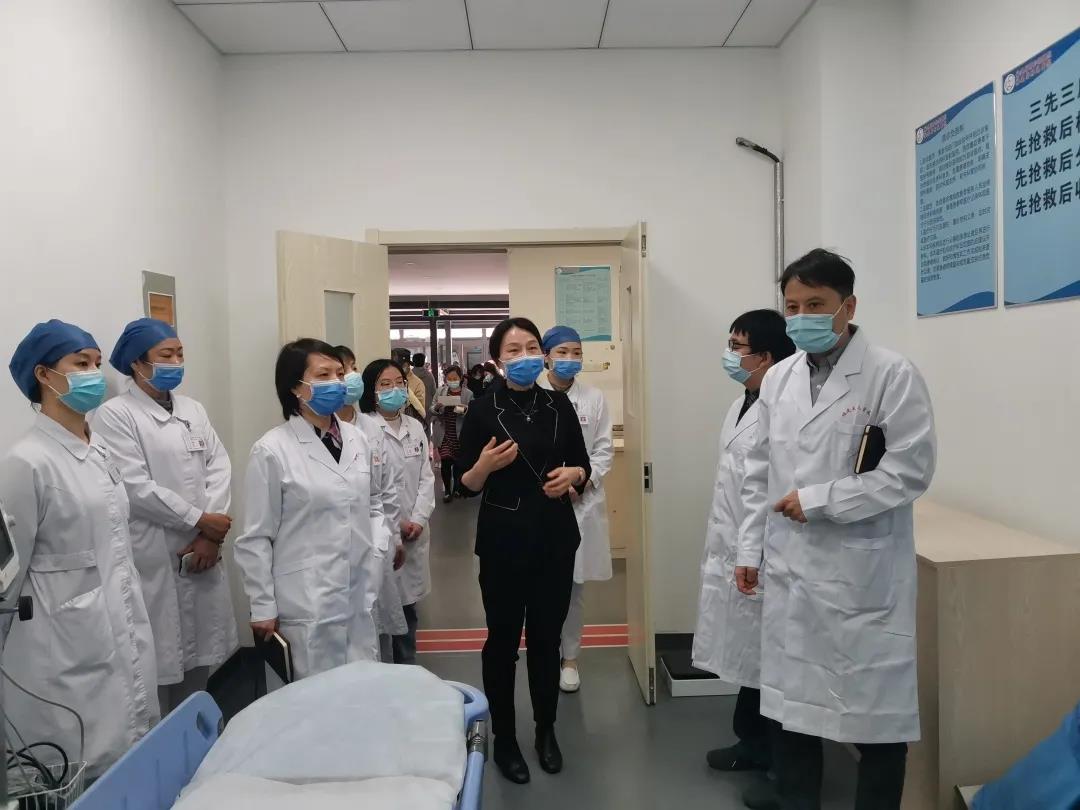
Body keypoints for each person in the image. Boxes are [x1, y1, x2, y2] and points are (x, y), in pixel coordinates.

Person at [735, 250, 937, 810]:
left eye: (815, 304)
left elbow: (910, 471)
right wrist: (748, 548)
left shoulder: (891, 374)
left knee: (875, 719)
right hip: (790, 567)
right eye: (792, 306)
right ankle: (797, 800)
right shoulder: (779, 378)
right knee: (793, 709)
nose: (802, 317)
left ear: (848, 306)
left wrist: (821, 501)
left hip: (861, 574)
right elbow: (758, 470)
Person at [0, 320, 159, 777]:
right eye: (80, 363)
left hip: (118, 624)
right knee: (72, 769)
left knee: (128, 754)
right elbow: (7, 577)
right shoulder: (26, 461)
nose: (95, 374)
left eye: (96, 363)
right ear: (44, 375)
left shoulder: (100, 449)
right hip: (60, 643)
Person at [458, 317, 591, 785]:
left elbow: (583, 463)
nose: (525, 357)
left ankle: (545, 730)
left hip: (555, 538)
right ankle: (506, 740)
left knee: (546, 640)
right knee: (502, 643)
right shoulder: (482, 409)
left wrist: (574, 475)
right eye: (513, 350)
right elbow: (464, 484)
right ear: (497, 359)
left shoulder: (558, 404)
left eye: (531, 347)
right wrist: (483, 465)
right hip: (503, 542)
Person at [91, 318, 238, 714]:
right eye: (165, 355)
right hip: (154, 552)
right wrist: (199, 520)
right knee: (157, 667)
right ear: (137, 363)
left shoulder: (193, 409)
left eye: (179, 354)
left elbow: (219, 465)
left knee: (200, 663)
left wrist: (212, 532)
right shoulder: (115, 415)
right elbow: (135, 486)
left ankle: (198, 734)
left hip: (204, 547)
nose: (176, 362)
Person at [233, 338, 392, 679]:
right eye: (323, 375)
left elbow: (374, 504)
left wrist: (377, 550)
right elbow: (257, 536)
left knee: (361, 689)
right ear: (295, 387)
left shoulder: (357, 439)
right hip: (306, 600)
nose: (337, 382)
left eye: (340, 373)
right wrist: (262, 604)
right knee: (312, 698)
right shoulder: (272, 449)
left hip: (359, 590)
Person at [690, 310, 795, 796]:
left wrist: (750, 551)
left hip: (769, 551)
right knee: (752, 658)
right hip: (738, 546)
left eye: (738, 347)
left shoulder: (786, 407)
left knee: (774, 663)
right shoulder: (742, 403)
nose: (729, 355)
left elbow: (770, 490)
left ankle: (783, 765)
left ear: (766, 357)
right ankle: (753, 744)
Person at [536, 326, 614, 694]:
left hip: (579, 502)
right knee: (540, 587)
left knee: (573, 587)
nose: (570, 359)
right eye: (562, 352)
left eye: (576, 352)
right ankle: (544, 652)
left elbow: (603, 450)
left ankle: (569, 658)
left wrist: (580, 480)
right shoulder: (531, 394)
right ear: (547, 356)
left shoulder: (594, 398)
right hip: (539, 502)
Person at [357, 359, 436, 665]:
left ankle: (407, 669)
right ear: (371, 391)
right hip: (381, 532)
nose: (395, 389)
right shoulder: (361, 430)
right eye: (385, 384)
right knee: (376, 612)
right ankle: (381, 673)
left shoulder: (415, 427)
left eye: (400, 383)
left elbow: (426, 477)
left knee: (407, 610)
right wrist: (395, 523)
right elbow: (368, 488)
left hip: (414, 533)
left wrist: (418, 519)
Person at [333, 346, 407, 663]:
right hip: (334, 550)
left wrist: (393, 537)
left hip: (375, 539)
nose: (349, 376)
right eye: (340, 371)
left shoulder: (371, 429)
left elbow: (384, 490)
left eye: (352, 367)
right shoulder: (294, 440)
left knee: (377, 627)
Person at [431, 364, 473, 504]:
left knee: (457, 464)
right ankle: (447, 491)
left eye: (455, 378)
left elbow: (471, 412)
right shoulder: (441, 391)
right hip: (444, 431)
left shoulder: (468, 394)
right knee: (446, 461)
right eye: (449, 378)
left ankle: (456, 488)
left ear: (460, 378)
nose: (452, 381)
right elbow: (432, 408)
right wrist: (438, 407)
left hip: (459, 433)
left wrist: (459, 408)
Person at [391, 348, 427, 422]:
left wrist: (406, 390)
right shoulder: (388, 379)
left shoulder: (417, 383)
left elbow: (421, 412)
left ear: (408, 365)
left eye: (400, 365)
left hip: (408, 423)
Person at [411, 352, 437, 418]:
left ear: (413, 362)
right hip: (427, 407)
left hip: (413, 407)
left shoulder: (409, 376)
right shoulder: (429, 375)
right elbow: (434, 392)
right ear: (423, 362)